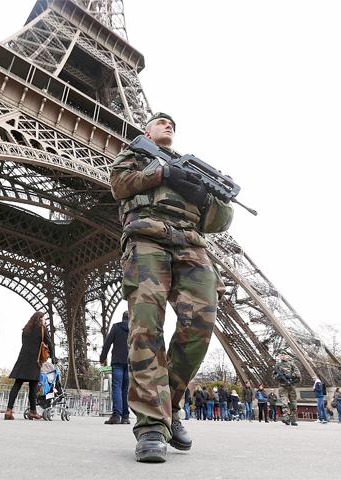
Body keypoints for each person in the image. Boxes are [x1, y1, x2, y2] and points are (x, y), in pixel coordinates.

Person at [110, 112, 234, 463]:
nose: (168, 126)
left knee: (200, 327)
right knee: (146, 325)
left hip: (192, 245)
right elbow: (119, 186)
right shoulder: (135, 154)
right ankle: (151, 424)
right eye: (161, 122)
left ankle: (171, 405)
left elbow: (219, 222)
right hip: (147, 239)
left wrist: (208, 197)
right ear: (147, 131)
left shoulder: (195, 170)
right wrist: (162, 173)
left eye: (173, 125)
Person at [4, 311, 55, 420]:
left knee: (17, 385)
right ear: (40, 319)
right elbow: (49, 343)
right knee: (33, 387)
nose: (44, 320)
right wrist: (53, 357)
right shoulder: (42, 329)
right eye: (44, 318)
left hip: (22, 360)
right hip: (34, 361)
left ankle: (9, 410)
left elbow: (24, 343)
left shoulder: (25, 329)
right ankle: (33, 411)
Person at [100, 311, 130, 425]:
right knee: (125, 389)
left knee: (116, 387)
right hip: (130, 362)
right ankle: (126, 416)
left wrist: (102, 358)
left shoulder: (116, 327)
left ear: (122, 318)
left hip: (117, 361)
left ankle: (116, 415)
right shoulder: (134, 329)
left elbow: (107, 343)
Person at [273, 351, 301, 426]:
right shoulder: (277, 366)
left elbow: (298, 375)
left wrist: (291, 376)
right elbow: (274, 376)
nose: (282, 356)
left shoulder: (292, 365)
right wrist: (278, 377)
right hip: (282, 387)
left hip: (291, 386)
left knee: (293, 403)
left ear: (287, 356)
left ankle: (293, 419)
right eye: (281, 355)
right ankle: (286, 417)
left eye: (284, 355)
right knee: (284, 403)